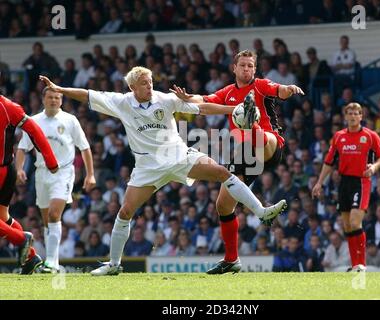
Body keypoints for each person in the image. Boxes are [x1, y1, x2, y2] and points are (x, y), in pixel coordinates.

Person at [39, 65, 288, 276]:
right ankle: (114, 265)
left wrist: (232, 110)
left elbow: (202, 107)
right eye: (145, 83)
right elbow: (87, 94)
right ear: (133, 87)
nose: (150, 86)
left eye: (150, 82)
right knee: (125, 211)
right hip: (147, 167)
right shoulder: (121, 103)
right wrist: (60, 89)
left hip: (178, 156)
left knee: (223, 172)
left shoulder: (165, 99)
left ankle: (262, 211)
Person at [171, 49, 303, 274]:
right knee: (223, 205)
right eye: (243, 65)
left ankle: (251, 122)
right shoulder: (228, 92)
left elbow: (279, 90)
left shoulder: (260, 85)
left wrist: (288, 89)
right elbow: (203, 101)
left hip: (270, 145)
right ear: (234, 68)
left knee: (260, 136)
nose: (247, 69)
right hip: (246, 153)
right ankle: (232, 259)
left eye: (251, 66)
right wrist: (187, 98)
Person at [15, 87, 95, 273]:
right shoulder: (33, 121)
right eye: (50, 97)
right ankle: (54, 263)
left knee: (53, 214)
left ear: (62, 100)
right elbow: (22, 148)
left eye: (57, 97)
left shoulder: (70, 120)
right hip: (41, 173)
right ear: (43, 99)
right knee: (46, 221)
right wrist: (19, 169)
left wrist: (90, 174)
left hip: (63, 172)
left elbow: (85, 147)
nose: (54, 100)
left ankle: (50, 261)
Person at [312, 102, 380, 272]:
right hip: (344, 183)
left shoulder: (370, 135)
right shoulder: (339, 136)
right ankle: (355, 265)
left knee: (355, 221)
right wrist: (319, 182)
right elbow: (329, 161)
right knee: (347, 226)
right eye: (350, 113)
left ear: (361, 116)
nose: (353, 116)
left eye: (356, 113)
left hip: (361, 181)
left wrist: (374, 167)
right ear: (345, 116)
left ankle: (361, 263)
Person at [0, 95, 58, 274]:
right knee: (2, 217)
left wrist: (51, 160)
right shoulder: (9, 106)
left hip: (2, 171)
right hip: (7, 170)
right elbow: (34, 130)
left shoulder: (7, 107)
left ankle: (20, 239)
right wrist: (51, 161)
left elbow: (35, 130)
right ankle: (31, 257)